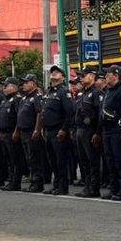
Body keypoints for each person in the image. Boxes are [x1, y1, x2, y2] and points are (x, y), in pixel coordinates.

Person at [100, 65, 121, 201]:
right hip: (107, 130)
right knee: (111, 162)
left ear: (117, 75)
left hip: (118, 130)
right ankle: (114, 189)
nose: (107, 76)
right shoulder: (109, 91)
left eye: (109, 74)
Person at [40, 66, 75, 195]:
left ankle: (62, 187)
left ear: (63, 77)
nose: (54, 74)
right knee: (52, 161)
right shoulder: (48, 92)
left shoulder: (63, 92)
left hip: (58, 130)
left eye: (57, 72)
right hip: (48, 131)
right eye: (52, 72)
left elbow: (69, 112)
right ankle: (56, 185)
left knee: (60, 160)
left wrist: (64, 129)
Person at [74, 67, 104, 198]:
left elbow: (99, 114)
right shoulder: (83, 93)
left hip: (90, 130)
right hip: (80, 130)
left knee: (93, 161)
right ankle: (87, 186)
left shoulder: (97, 93)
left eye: (84, 75)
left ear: (92, 76)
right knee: (83, 161)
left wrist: (97, 133)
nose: (81, 77)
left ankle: (94, 188)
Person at [0, 78, 24, 191]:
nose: (4, 88)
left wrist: (16, 131)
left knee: (15, 159)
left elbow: (19, 117)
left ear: (14, 87)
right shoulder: (5, 100)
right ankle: (10, 179)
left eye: (6, 86)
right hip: (4, 133)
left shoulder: (17, 99)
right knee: (8, 159)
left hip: (12, 133)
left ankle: (15, 182)